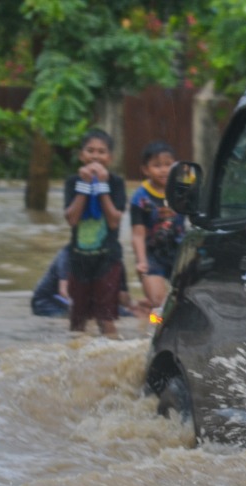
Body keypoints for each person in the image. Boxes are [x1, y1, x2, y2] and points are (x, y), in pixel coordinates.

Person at [63, 128, 127, 336]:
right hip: (79, 259)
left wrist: (101, 187)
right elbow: (72, 219)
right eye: (90, 151)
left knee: (105, 318)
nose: (96, 156)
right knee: (77, 321)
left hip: (107, 260)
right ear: (81, 155)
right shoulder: (73, 183)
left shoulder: (116, 183)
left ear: (110, 157)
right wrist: (84, 185)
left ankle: (113, 360)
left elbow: (114, 221)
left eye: (101, 151)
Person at [129, 141, 185, 311]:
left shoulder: (183, 191)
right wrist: (141, 261)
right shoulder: (140, 198)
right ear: (145, 170)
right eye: (157, 165)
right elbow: (137, 234)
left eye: (168, 165)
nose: (163, 170)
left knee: (185, 301)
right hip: (152, 255)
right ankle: (152, 327)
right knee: (157, 304)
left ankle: (141, 311)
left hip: (179, 252)